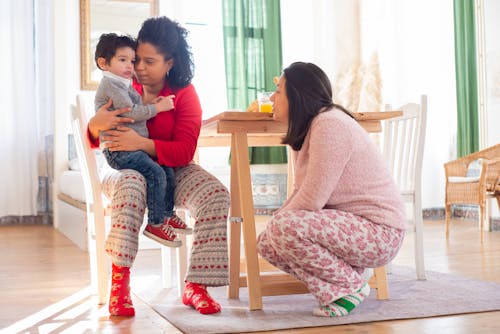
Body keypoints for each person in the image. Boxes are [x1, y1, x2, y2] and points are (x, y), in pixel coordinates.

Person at [87, 16, 230, 317]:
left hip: (170, 167)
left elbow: (184, 151)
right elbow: (93, 140)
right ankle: (120, 284)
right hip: (121, 168)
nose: (138, 67)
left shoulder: (185, 95)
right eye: (137, 59)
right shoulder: (122, 82)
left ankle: (197, 286)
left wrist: (142, 144)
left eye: (149, 62)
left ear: (170, 63)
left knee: (216, 194)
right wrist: (95, 126)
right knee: (133, 183)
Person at [256, 62, 406, 317]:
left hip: (381, 232)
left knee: (281, 229)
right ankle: (348, 280)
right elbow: (300, 192)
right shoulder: (308, 130)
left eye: (279, 91)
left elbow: (312, 199)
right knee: (267, 243)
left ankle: (351, 286)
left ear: (297, 95)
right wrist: (275, 224)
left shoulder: (329, 124)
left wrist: (279, 222)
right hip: (352, 226)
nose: (272, 98)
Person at [94, 32, 186, 248]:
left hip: (133, 149)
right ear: (103, 63)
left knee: (166, 170)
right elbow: (132, 112)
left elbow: (137, 102)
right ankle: (154, 224)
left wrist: (154, 101)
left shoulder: (122, 83)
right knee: (155, 174)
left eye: (132, 60)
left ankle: (166, 214)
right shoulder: (110, 86)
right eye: (122, 60)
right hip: (120, 151)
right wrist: (159, 107)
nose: (130, 66)